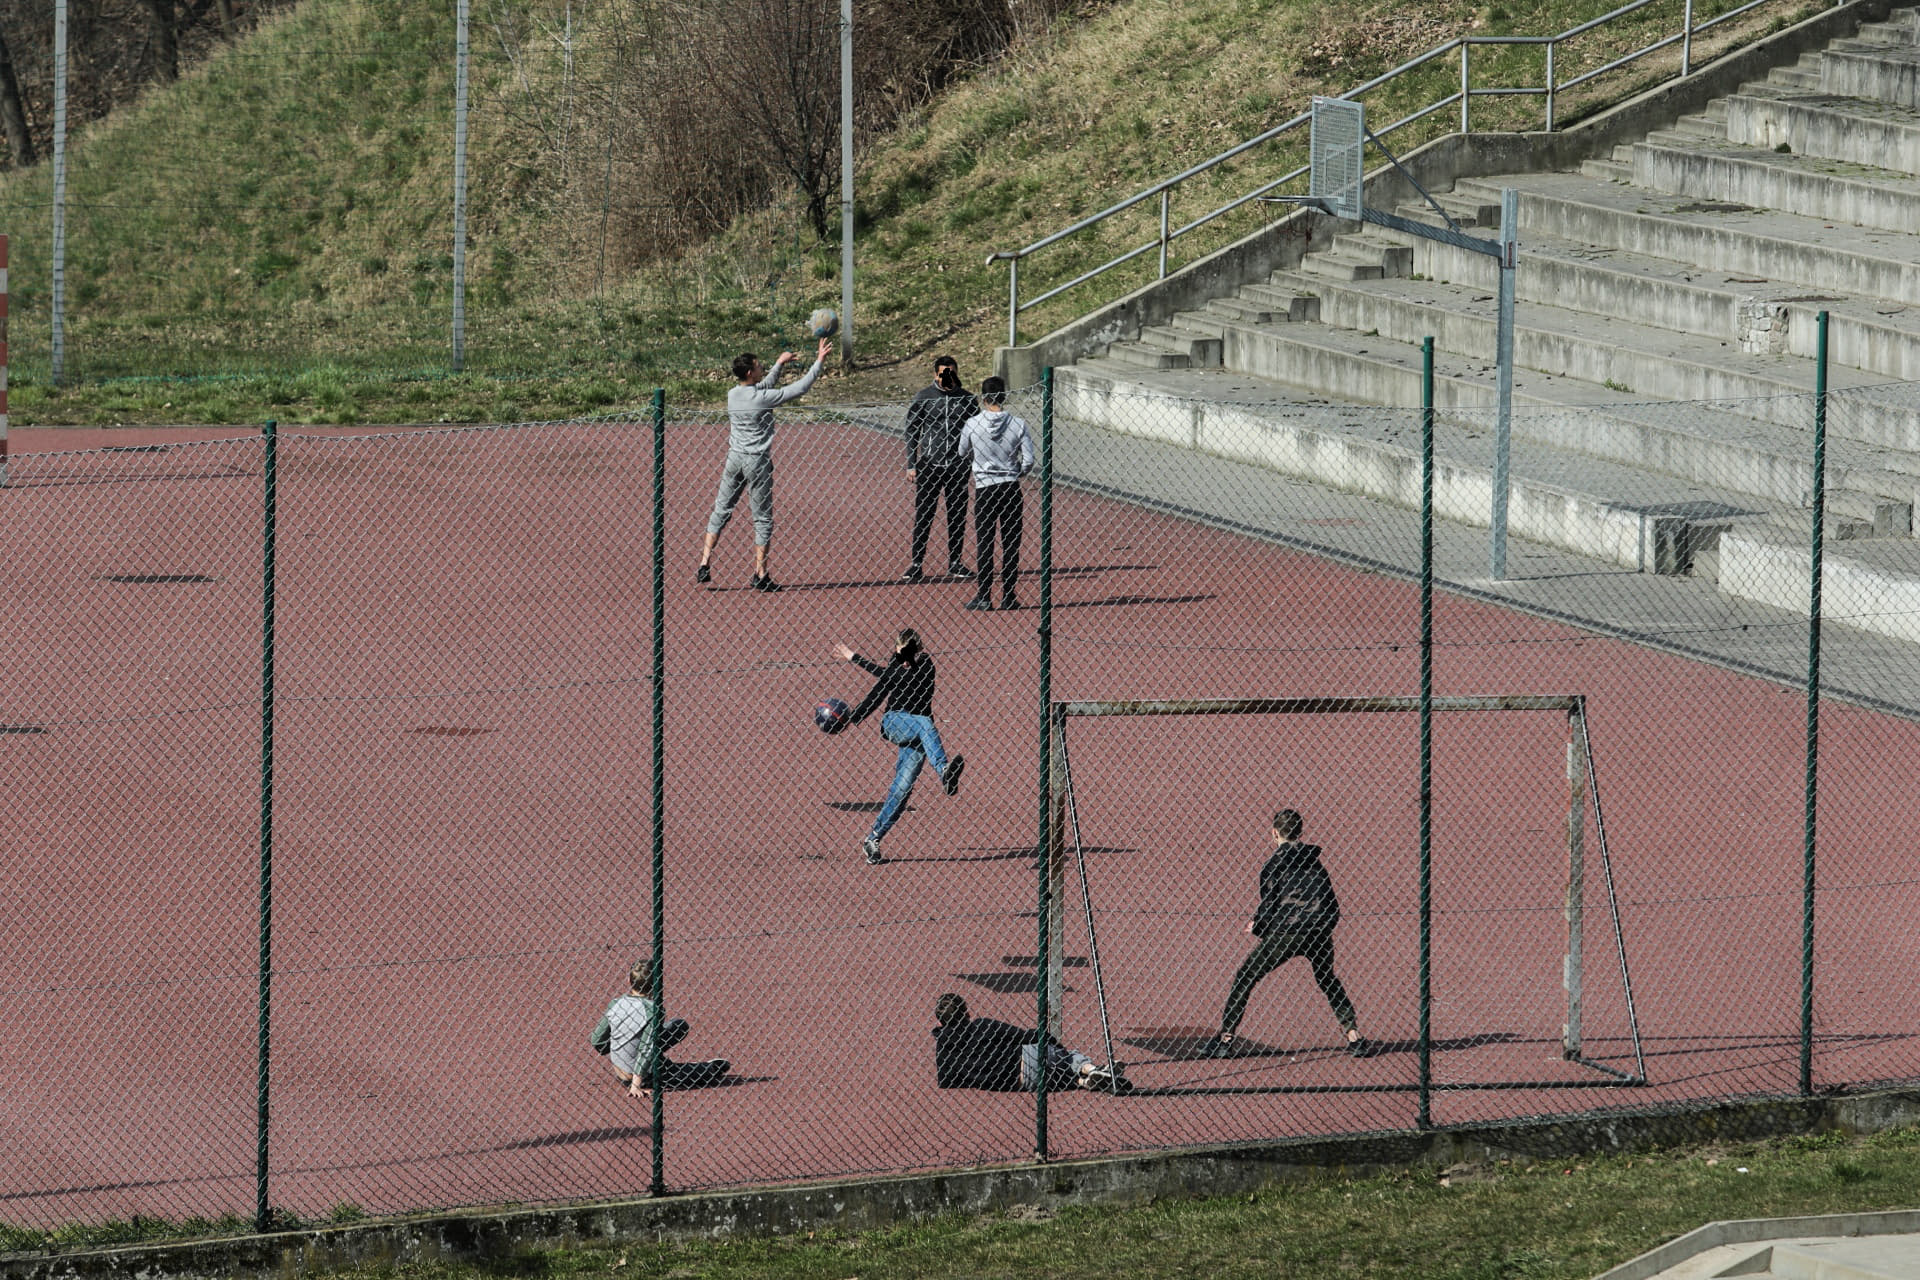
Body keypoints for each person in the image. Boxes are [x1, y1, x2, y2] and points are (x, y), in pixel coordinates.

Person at [1206, 809, 1372, 1060]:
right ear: (1300, 832)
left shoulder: (1274, 864)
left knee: (1246, 976)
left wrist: (1258, 926)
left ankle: (1225, 1039)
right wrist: (1324, 925)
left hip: (1287, 932)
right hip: (1318, 930)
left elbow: (1269, 903)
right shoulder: (1315, 861)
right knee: (1326, 978)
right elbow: (1329, 899)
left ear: (1274, 833)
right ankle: (1354, 1036)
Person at [696, 337, 833, 592]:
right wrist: (819, 361)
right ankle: (760, 573)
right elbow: (799, 388)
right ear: (750, 372)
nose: (762, 368)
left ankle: (704, 562)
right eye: (759, 366)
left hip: (734, 458)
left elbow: (762, 388)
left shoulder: (733, 394)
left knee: (721, 510)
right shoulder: (762, 398)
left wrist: (779, 364)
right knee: (762, 518)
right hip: (756, 462)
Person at [829, 628, 965, 865]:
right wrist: (853, 718)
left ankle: (873, 839)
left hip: (919, 736)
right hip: (895, 721)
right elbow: (877, 692)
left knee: (902, 789)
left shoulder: (925, 664)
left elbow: (902, 677)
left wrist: (859, 659)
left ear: (918, 650)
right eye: (901, 651)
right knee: (925, 723)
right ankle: (944, 771)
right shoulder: (894, 666)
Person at [932, 993, 1129, 1093]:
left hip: (1020, 1082)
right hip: (1028, 1058)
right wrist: (1054, 1043)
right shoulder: (982, 1025)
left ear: (940, 1021)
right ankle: (1089, 1068)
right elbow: (1026, 1036)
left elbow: (946, 1082)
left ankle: (1083, 1082)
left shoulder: (944, 1049)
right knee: (1067, 1057)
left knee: (1055, 1079)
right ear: (966, 1014)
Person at [595, 958, 731, 1096]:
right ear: (657, 984)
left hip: (619, 1067)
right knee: (695, 1072)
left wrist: (622, 1045)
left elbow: (597, 1041)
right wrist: (636, 1085)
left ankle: (648, 1062)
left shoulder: (615, 1003)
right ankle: (708, 1068)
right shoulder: (653, 1010)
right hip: (638, 1075)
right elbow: (646, 1048)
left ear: (629, 981)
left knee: (678, 1026)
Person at [956, 376, 1034, 612]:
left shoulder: (973, 423)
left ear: (983, 398)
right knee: (1011, 543)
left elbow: (961, 451)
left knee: (985, 542)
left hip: (985, 488)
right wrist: (1016, 471)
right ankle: (1008, 595)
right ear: (1004, 396)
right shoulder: (1018, 424)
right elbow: (1029, 460)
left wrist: (979, 460)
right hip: (1010, 487)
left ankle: (984, 595)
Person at [901, 355, 980, 582]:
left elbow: (977, 430)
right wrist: (911, 464)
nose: (948, 377)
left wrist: (974, 460)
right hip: (930, 464)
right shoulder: (924, 397)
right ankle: (917, 563)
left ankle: (955, 562)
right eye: (944, 373)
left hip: (957, 466)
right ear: (935, 374)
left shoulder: (967, 399)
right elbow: (912, 430)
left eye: (952, 373)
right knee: (924, 514)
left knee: (957, 514)